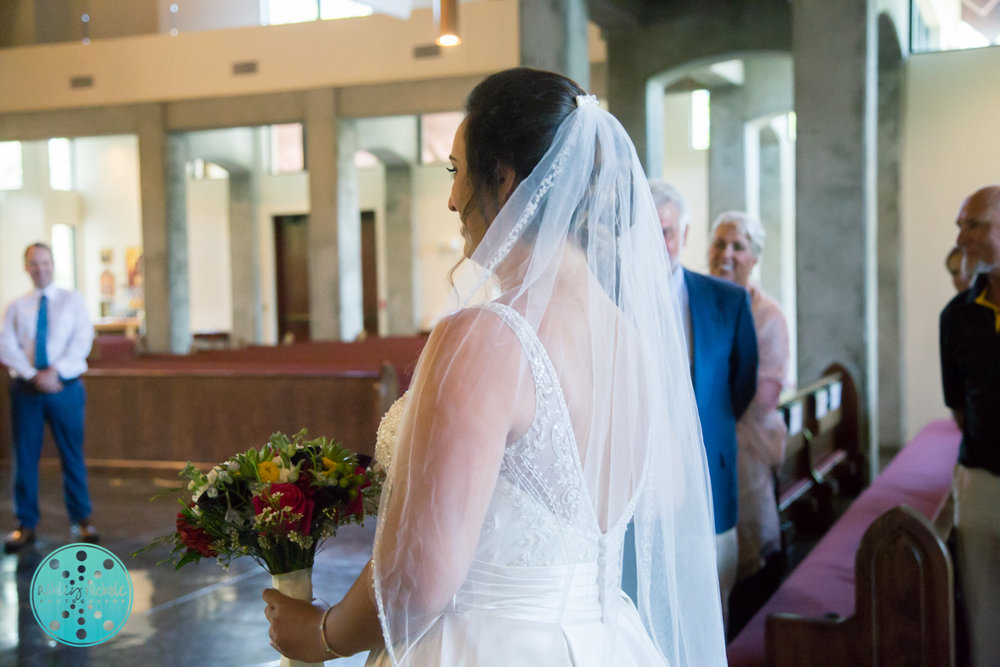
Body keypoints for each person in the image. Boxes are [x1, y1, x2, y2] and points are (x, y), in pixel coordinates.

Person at [262, 68, 727, 666]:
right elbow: (668, 498)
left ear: (504, 178)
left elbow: (419, 581)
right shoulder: (631, 341)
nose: (452, 200)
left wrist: (321, 634)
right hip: (601, 640)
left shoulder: (484, 336)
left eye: (457, 172)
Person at [627, 180, 757, 633]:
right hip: (636, 479)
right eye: (649, 231)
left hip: (710, 474)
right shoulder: (613, 295)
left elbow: (740, 387)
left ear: (684, 232)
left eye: (667, 231)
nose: (658, 243)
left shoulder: (728, 300)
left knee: (710, 608)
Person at [706, 211, 789, 585]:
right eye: (720, 243)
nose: (726, 253)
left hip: (748, 441)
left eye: (738, 247)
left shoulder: (768, 315)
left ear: (754, 259)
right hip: (702, 438)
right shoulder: (697, 299)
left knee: (746, 549)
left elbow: (764, 393)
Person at [0, 243, 98, 552]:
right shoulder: (17, 306)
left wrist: (55, 372)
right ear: (26, 267)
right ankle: (25, 525)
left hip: (64, 388)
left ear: (53, 264)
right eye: (33, 263)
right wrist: (33, 375)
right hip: (26, 389)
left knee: (72, 454)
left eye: (44, 262)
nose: (40, 268)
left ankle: (82, 520)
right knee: (25, 457)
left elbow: (82, 339)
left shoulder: (73, 301)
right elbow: (7, 345)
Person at [939, 184, 1000, 667]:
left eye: (973, 223)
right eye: (960, 224)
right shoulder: (956, 316)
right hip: (979, 478)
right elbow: (959, 406)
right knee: (983, 617)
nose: (962, 236)